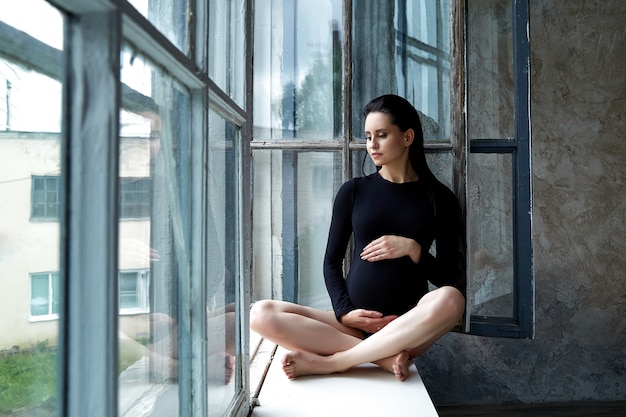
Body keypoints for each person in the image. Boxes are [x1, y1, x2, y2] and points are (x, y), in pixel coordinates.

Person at [250, 94, 465, 381]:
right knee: (260, 313)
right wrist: (344, 312)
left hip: (405, 328)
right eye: (367, 137)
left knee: (452, 299)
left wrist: (413, 249)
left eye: (382, 135)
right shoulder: (354, 191)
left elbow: (449, 276)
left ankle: (334, 362)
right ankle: (381, 359)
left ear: (407, 136)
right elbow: (331, 262)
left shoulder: (440, 199)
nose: (371, 145)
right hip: (349, 325)